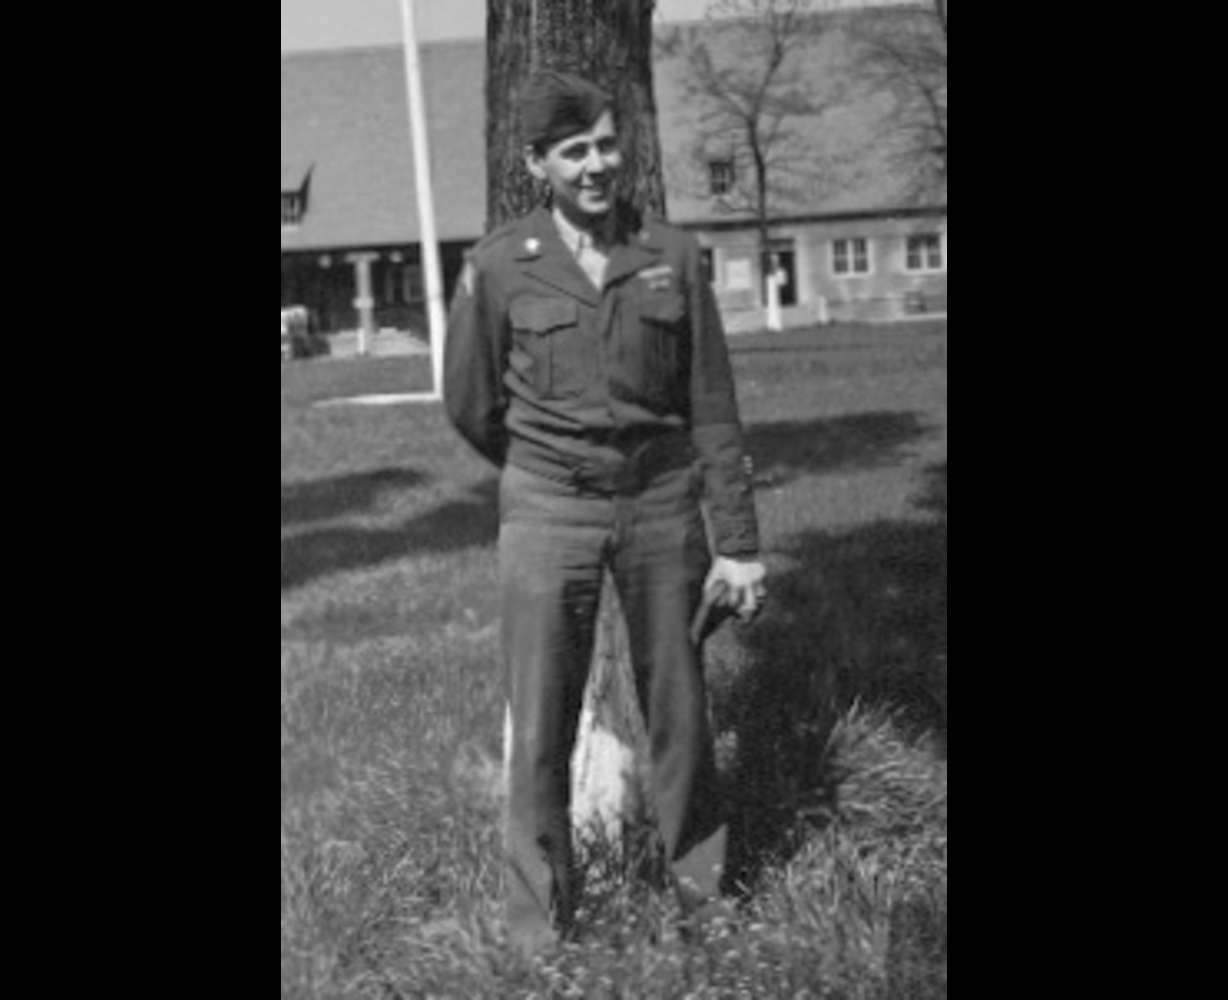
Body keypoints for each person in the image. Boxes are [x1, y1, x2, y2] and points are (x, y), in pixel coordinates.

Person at [443, 69, 766, 956]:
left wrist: (737, 543)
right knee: (541, 724)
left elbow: (714, 407)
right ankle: (538, 930)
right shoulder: (501, 266)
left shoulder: (675, 255)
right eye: (574, 151)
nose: (597, 166)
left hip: (663, 510)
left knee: (681, 713)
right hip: (547, 514)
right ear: (536, 163)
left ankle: (701, 903)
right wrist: (548, 474)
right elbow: (471, 403)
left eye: (607, 145)